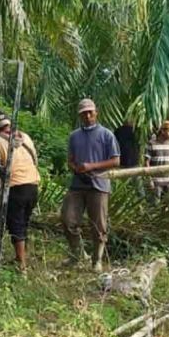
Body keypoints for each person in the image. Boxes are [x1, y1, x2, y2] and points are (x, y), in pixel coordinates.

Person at [60, 98, 120, 272]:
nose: (87, 115)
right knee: (67, 218)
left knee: (99, 224)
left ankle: (97, 260)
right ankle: (78, 254)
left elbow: (116, 160)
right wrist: (76, 168)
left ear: (96, 112)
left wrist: (91, 166)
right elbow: (69, 160)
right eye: (83, 113)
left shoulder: (106, 134)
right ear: (79, 115)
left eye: (90, 112)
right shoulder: (74, 136)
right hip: (78, 184)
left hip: (99, 184)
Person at [0, 110, 40, 274]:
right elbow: (35, 160)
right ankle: (20, 257)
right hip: (33, 185)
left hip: (16, 187)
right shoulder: (25, 137)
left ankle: (22, 266)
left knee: (15, 225)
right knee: (23, 222)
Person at [145, 120, 169, 200]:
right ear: (163, 131)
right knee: (154, 205)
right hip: (156, 181)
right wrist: (149, 179)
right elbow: (146, 162)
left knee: (167, 205)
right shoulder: (152, 143)